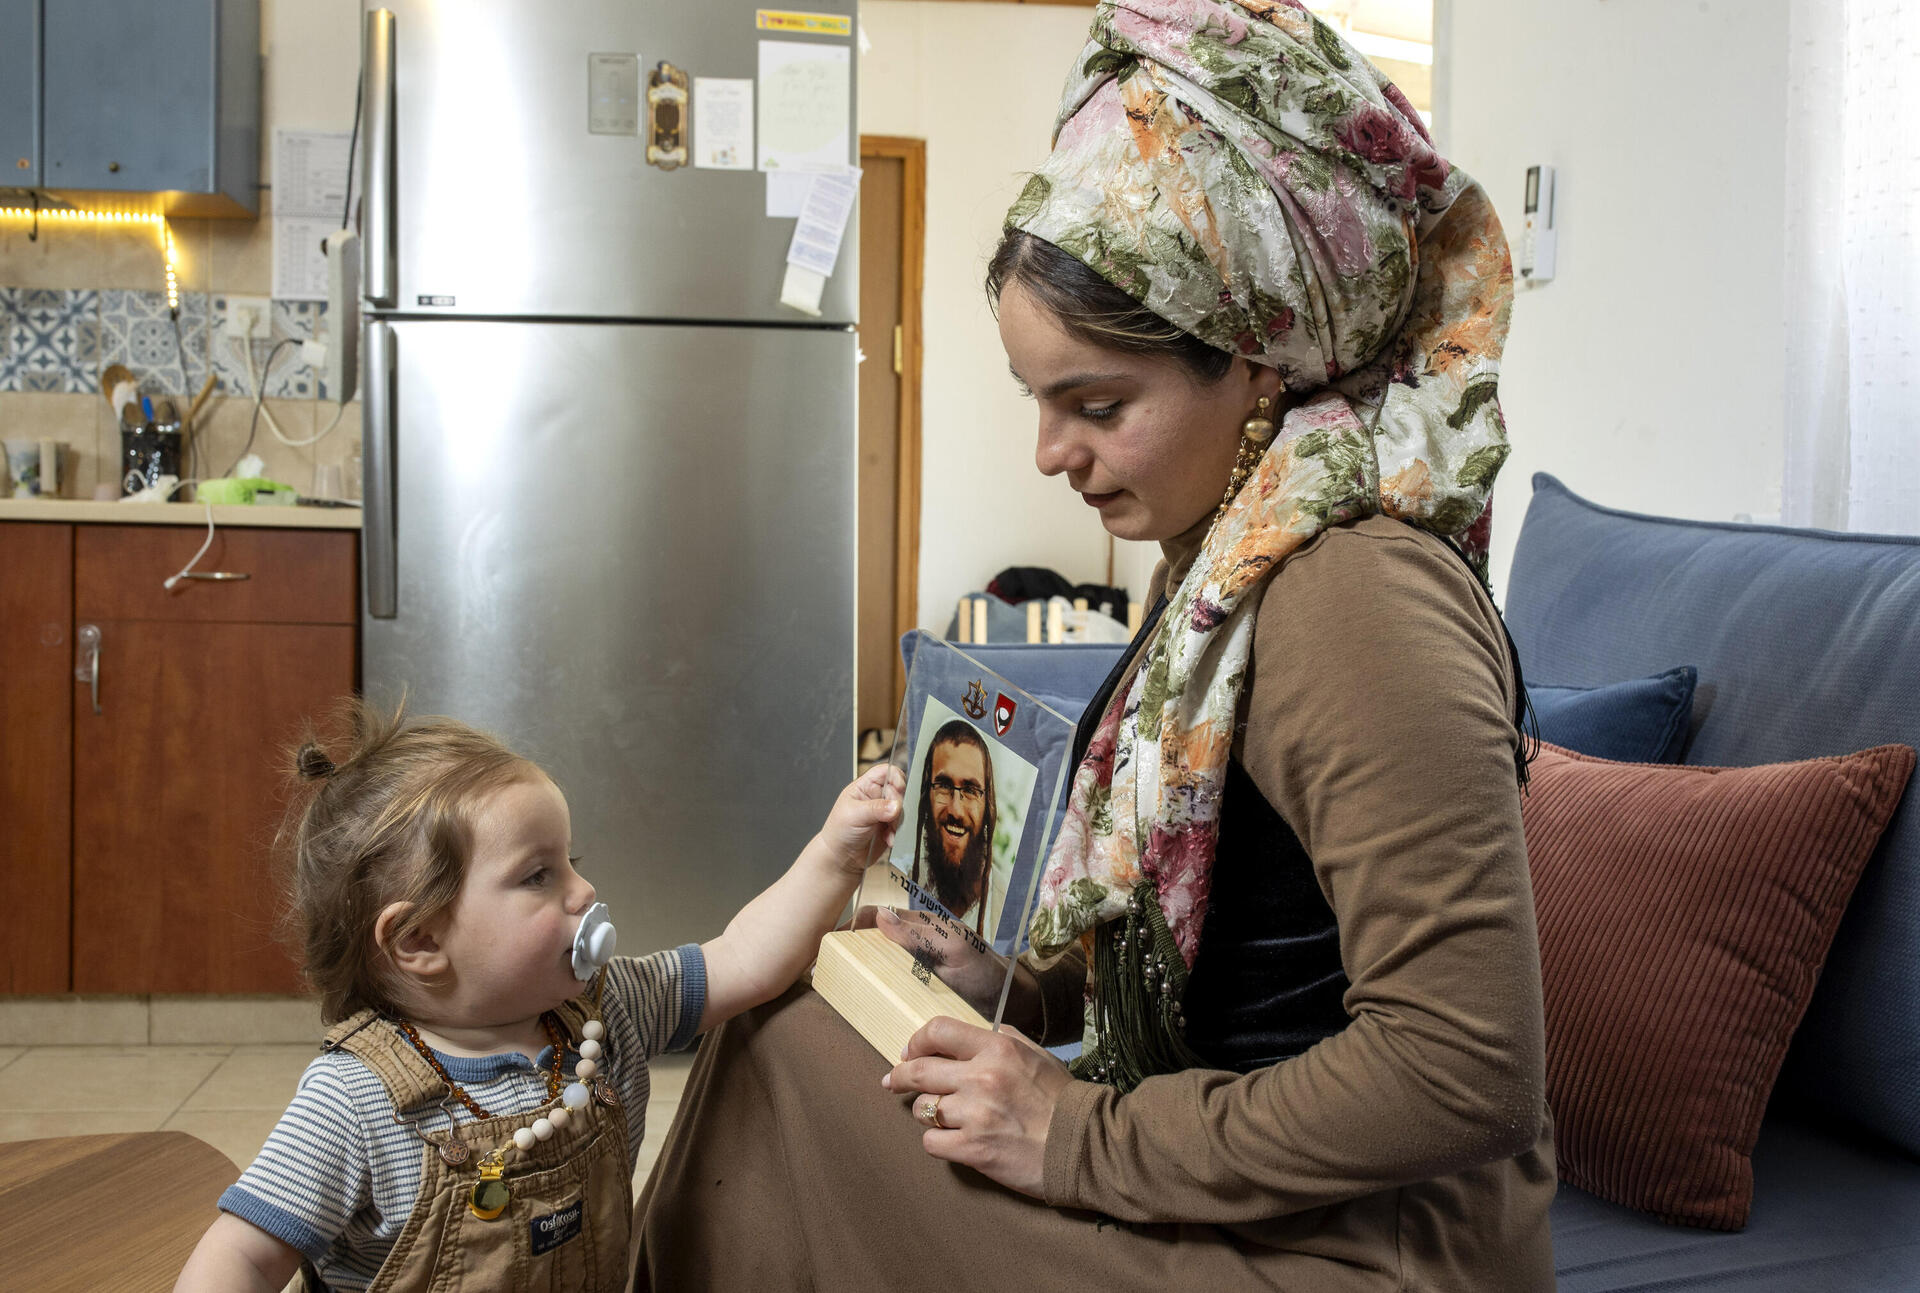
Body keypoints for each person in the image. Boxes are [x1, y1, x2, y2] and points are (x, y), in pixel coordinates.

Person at [636, 1, 1554, 1289]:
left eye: (1098, 405)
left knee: (786, 1046)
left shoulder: (1357, 603)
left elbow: (1465, 1071)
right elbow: (1243, 960)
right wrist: (1023, 986)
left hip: (1346, 1249)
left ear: (1260, 362)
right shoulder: (1231, 564)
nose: (1051, 454)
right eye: (1040, 401)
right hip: (1235, 1182)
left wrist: (1074, 1128)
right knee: (800, 1012)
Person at [172, 700, 900, 1293]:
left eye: (571, 862)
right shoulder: (355, 1100)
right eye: (537, 876)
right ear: (421, 939)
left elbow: (744, 958)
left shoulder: (609, 1011)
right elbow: (241, 1255)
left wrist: (837, 852)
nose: (584, 891)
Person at [909, 719, 999, 935]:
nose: (956, 811)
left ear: (988, 806)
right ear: (926, 796)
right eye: (943, 786)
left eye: (970, 790)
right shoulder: (904, 875)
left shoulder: (1003, 905)